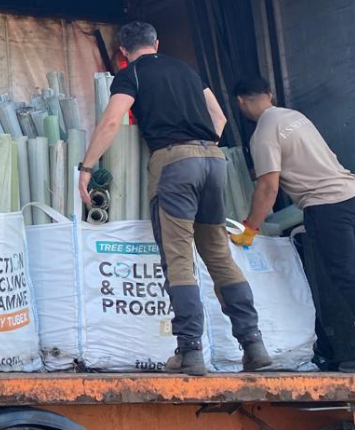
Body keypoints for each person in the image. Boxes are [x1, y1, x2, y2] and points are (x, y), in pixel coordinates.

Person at [78, 22, 271, 375]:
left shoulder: (130, 74)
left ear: (123, 51)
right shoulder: (186, 70)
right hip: (213, 162)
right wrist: (199, 148)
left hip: (174, 165)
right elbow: (220, 117)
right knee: (219, 255)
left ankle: (190, 351)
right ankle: (254, 344)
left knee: (179, 259)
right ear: (157, 42)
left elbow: (111, 122)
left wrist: (86, 168)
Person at [232, 76, 355, 343]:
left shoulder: (264, 132)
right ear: (269, 94)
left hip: (327, 207)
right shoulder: (293, 117)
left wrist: (248, 229)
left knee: (347, 278)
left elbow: (268, 188)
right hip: (350, 193)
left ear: (240, 101)